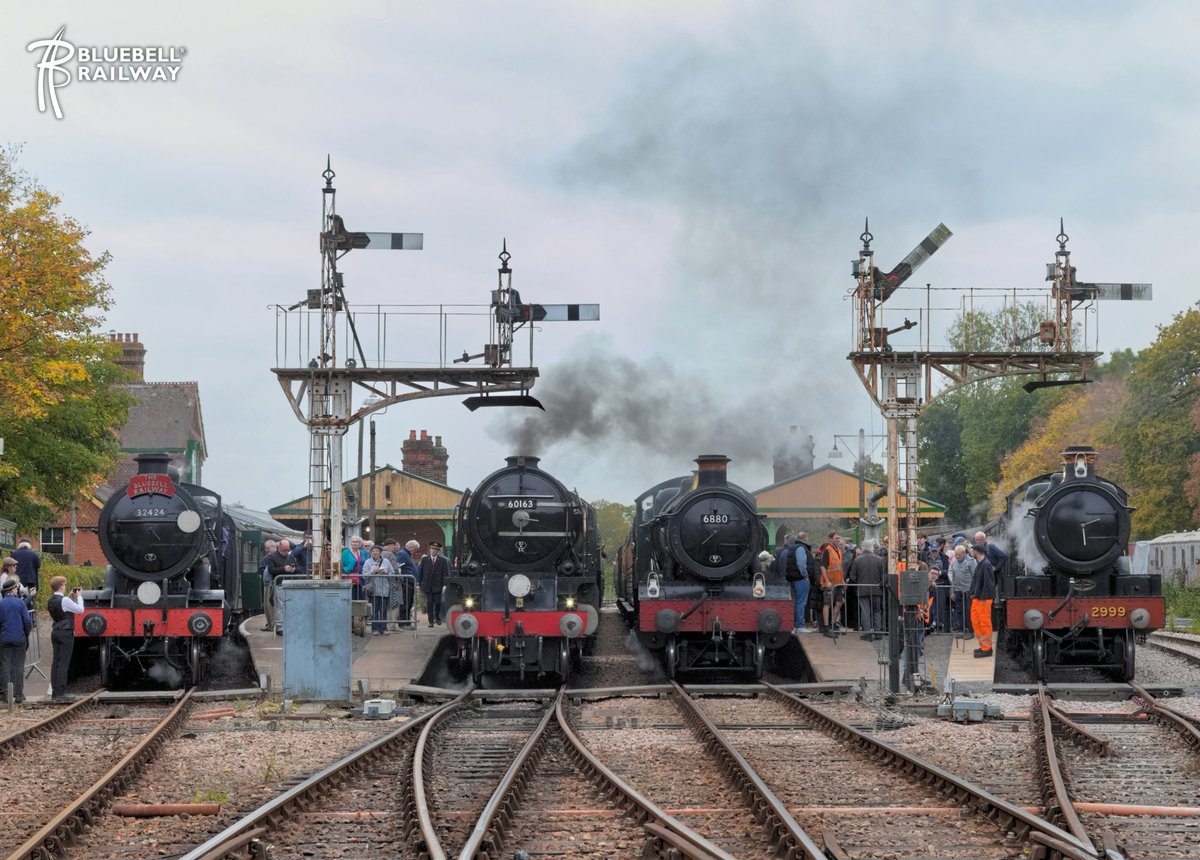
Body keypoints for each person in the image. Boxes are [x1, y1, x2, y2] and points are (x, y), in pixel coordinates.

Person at [47, 576, 84, 702]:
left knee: (56, 662)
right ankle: (61, 692)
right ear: (61, 586)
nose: (66, 586)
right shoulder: (64, 601)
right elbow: (80, 610)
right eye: (65, 584)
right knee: (63, 663)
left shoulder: (51, 600)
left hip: (55, 631)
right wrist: (79, 596)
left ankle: (55, 692)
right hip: (65, 632)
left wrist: (68, 596)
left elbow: (62, 608)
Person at [0, 578, 32, 703]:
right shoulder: (20, 603)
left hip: (4, 639)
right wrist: (25, 634)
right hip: (19, 639)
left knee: (4, 665)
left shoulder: (1, 603)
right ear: (13, 589)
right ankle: (18, 694)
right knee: (18, 666)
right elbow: (27, 622)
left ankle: (4, 694)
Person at [778, 533, 816, 634]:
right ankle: (799, 625)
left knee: (794, 602)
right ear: (805, 538)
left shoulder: (791, 548)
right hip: (800, 579)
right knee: (801, 602)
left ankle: (792, 625)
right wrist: (806, 575)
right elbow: (801, 563)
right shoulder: (801, 548)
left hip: (792, 578)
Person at [848, 538, 885, 638]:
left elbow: (852, 576)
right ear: (872, 548)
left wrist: (858, 583)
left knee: (865, 612)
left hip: (862, 590)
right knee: (877, 611)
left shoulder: (857, 560)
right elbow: (883, 576)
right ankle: (878, 633)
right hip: (876, 589)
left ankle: (867, 633)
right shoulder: (879, 559)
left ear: (863, 548)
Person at [969, 542, 997, 657]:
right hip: (978, 598)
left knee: (984, 623)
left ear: (977, 552)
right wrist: (972, 593)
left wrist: (984, 597)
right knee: (976, 621)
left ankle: (987, 648)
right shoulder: (981, 563)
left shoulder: (986, 564)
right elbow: (977, 581)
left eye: (973, 550)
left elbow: (989, 583)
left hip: (983, 599)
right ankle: (983, 646)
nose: (972, 552)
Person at [362, 545, 396, 635]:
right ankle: (375, 629)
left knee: (383, 610)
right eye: (373, 551)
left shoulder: (386, 561)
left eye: (377, 551)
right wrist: (372, 572)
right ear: (371, 553)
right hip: (373, 590)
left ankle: (384, 628)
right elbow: (364, 575)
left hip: (384, 588)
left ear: (380, 552)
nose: (375, 553)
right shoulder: (368, 562)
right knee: (374, 610)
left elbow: (393, 573)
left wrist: (386, 572)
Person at [819, 532, 847, 634]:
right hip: (830, 582)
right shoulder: (827, 550)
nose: (838, 539)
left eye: (839, 538)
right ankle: (826, 627)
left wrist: (843, 581)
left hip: (838, 582)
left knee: (839, 603)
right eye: (836, 538)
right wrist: (826, 581)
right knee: (827, 603)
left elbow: (839, 568)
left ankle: (832, 623)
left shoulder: (839, 551)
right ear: (831, 539)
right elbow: (822, 566)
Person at [948, 543, 976, 636]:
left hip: (968, 590)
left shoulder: (971, 562)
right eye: (956, 554)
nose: (957, 556)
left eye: (959, 554)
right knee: (959, 610)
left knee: (968, 611)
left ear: (964, 553)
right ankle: (962, 629)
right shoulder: (953, 561)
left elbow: (975, 576)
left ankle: (970, 630)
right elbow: (950, 572)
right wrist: (952, 591)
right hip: (957, 590)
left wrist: (974, 591)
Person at [420, 541, 448, 626]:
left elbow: (445, 573)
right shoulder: (425, 559)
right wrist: (420, 583)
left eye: (436, 549)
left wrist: (445, 585)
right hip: (428, 585)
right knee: (429, 603)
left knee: (438, 602)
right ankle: (430, 621)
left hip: (438, 585)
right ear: (430, 549)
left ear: (438, 550)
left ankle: (438, 618)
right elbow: (421, 572)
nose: (434, 550)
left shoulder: (443, 560)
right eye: (432, 548)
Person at [395, 540, 420, 629]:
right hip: (405, 582)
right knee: (405, 603)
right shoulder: (402, 554)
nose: (416, 551)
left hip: (409, 581)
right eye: (416, 549)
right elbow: (397, 566)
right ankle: (403, 623)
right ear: (411, 547)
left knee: (408, 603)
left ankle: (406, 622)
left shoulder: (406, 554)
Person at [258, 539, 278, 632]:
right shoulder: (267, 558)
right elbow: (261, 568)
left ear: (273, 547)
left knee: (270, 605)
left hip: (272, 583)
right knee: (266, 606)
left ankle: (272, 625)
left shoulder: (276, 557)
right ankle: (270, 624)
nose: (266, 550)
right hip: (266, 583)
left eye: (267, 548)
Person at [341, 536, 367, 601]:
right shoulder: (346, 552)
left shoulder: (362, 552)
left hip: (361, 578)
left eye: (357, 542)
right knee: (351, 598)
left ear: (360, 544)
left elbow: (365, 563)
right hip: (349, 577)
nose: (355, 543)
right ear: (351, 543)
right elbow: (341, 565)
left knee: (361, 598)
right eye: (353, 542)